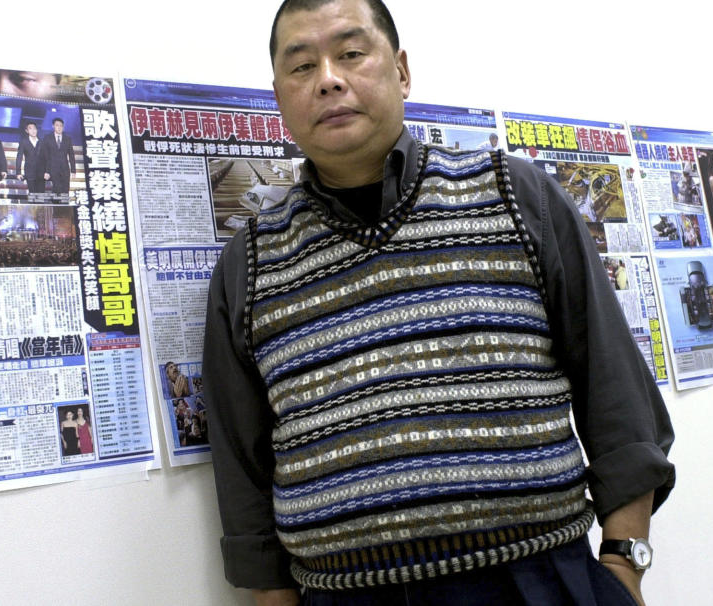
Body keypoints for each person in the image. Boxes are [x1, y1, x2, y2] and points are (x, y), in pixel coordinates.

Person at [203, 2, 674, 606]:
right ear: (280, 98)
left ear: (401, 70)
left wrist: (624, 563)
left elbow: (617, 396)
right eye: (301, 66)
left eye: (350, 53)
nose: (328, 78)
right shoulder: (250, 264)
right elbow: (244, 479)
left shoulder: (516, 195)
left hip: (538, 582)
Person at [39, 118, 75, 194]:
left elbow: (71, 155)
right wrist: (46, 171)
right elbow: (44, 156)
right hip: (53, 169)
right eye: (57, 125)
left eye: (61, 126)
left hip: (65, 169)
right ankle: (56, 205)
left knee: (65, 190)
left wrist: (73, 170)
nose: (59, 127)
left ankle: (64, 205)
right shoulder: (47, 138)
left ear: (63, 127)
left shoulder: (67, 139)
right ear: (53, 126)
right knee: (56, 190)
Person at [16, 122, 45, 195]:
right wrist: (18, 172)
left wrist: (47, 171)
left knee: (41, 196)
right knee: (32, 195)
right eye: (30, 128)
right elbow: (19, 157)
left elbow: (47, 158)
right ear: (27, 131)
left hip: (41, 173)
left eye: (34, 128)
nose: (33, 130)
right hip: (30, 172)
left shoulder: (42, 142)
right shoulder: (23, 142)